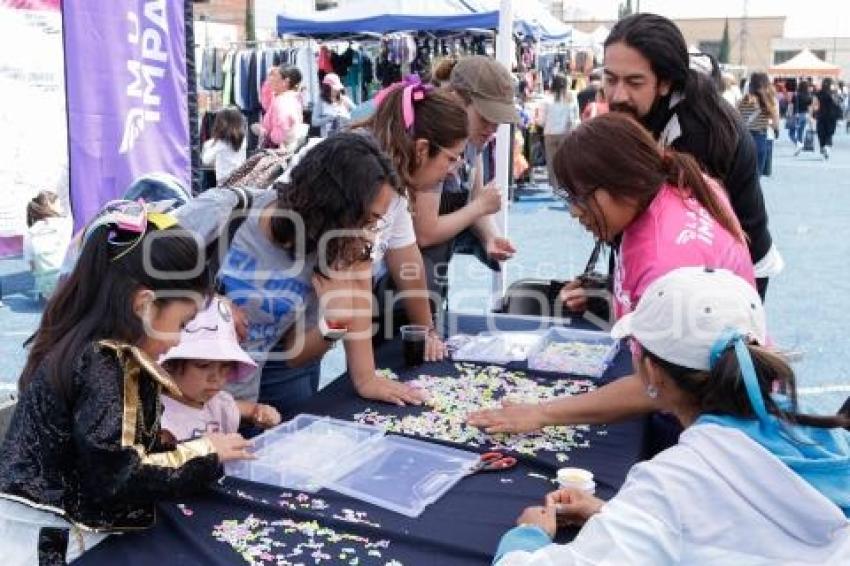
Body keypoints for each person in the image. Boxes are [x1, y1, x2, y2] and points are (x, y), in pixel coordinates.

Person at [492, 267, 850, 565]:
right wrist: (615, 515)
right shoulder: (820, 434)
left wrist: (528, 536)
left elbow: (686, 507)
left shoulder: (672, 482)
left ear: (653, 373)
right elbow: (730, 533)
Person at [468, 113, 755, 434]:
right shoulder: (674, 188)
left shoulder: (665, 258)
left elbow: (656, 387)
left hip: (710, 419)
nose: (574, 211)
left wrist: (541, 413)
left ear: (619, 183)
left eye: (579, 197)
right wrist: (604, 292)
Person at [0, 201, 252, 563]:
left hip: (39, 531)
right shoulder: (110, 364)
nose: (178, 340)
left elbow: (105, 451)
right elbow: (120, 477)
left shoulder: (88, 345)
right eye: (182, 323)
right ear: (144, 304)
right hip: (57, 542)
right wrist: (206, 451)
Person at [174, 133, 426, 416]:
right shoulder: (226, 211)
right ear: (333, 205)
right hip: (172, 406)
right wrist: (210, 304)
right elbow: (138, 275)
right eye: (366, 220)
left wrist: (335, 324)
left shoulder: (326, 254)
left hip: (235, 409)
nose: (369, 234)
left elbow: (294, 355)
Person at [597, 13, 779, 299]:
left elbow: (674, 238)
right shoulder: (651, 111)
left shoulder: (696, 133)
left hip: (732, 272)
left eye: (634, 82)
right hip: (686, 263)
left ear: (665, 82)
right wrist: (607, 286)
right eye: (610, 79)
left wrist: (613, 291)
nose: (618, 95)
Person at [355, 77, 495, 337]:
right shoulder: (361, 184)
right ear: (422, 149)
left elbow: (408, 261)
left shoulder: (395, 191)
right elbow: (351, 297)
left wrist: (428, 332)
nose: (453, 171)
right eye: (450, 159)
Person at [421, 56, 519, 307]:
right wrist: (480, 207)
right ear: (456, 100)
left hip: (428, 274)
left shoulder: (472, 140)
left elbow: (474, 198)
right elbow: (425, 232)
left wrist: (490, 238)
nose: (492, 129)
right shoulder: (432, 140)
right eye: (485, 118)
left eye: (497, 120)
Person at [159, 297, 281, 441]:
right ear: (168, 365)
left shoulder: (217, 403)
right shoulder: (159, 415)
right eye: (203, 365)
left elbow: (249, 409)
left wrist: (260, 412)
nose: (216, 377)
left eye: (225, 366)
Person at [23, 190, 71, 300]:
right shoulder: (65, 224)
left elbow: (31, 264)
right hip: (66, 280)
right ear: (50, 205)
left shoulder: (31, 231)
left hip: (45, 285)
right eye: (59, 205)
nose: (62, 208)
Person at [536, 74, 580, 188]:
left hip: (550, 133)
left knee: (551, 161)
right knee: (564, 161)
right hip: (566, 133)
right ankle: (564, 184)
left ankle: (554, 186)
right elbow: (575, 117)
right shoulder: (571, 98)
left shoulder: (546, 99)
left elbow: (541, 120)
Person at [737, 72, 780, 176]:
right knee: (757, 175)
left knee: (743, 174)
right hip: (760, 137)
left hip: (743, 138)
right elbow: (775, 122)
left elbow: (737, 117)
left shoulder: (743, 100)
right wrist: (775, 129)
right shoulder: (770, 101)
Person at [255, 65, 304, 151]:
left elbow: (279, 136)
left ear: (286, 81)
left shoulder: (282, 101)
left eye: (275, 76)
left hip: (279, 150)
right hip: (289, 148)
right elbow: (266, 103)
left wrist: (263, 132)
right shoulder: (292, 97)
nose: (271, 79)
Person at [201, 106, 247, 183]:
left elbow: (206, 160)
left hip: (224, 182)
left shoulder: (219, 143)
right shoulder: (243, 140)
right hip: (241, 180)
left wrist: (208, 145)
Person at [312, 72, 355, 137]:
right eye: (334, 89)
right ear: (327, 88)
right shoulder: (321, 102)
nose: (337, 91)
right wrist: (329, 118)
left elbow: (356, 112)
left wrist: (346, 116)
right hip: (328, 138)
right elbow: (314, 122)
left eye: (338, 89)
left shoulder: (344, 99)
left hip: (344, 137)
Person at [815, 77, 843, 160]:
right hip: (832, 117)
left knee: (821, 133)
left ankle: (822, 147)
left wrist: (813, 114)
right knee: (829, 133)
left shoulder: (818, 93)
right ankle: (827, 146)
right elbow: (839, 103)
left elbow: (815, 105)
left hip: (821, 116)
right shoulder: (833, 93)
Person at [790, 80, 815, 155]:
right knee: (800, 132)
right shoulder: (809, 96)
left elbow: (791, 106)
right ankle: (799, 145)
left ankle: (799, 144)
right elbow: (810, 107)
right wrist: (810, 117)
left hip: (796, 115)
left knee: (791, 133)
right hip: (805, 115)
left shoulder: (795, 95)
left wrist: (789, 115)